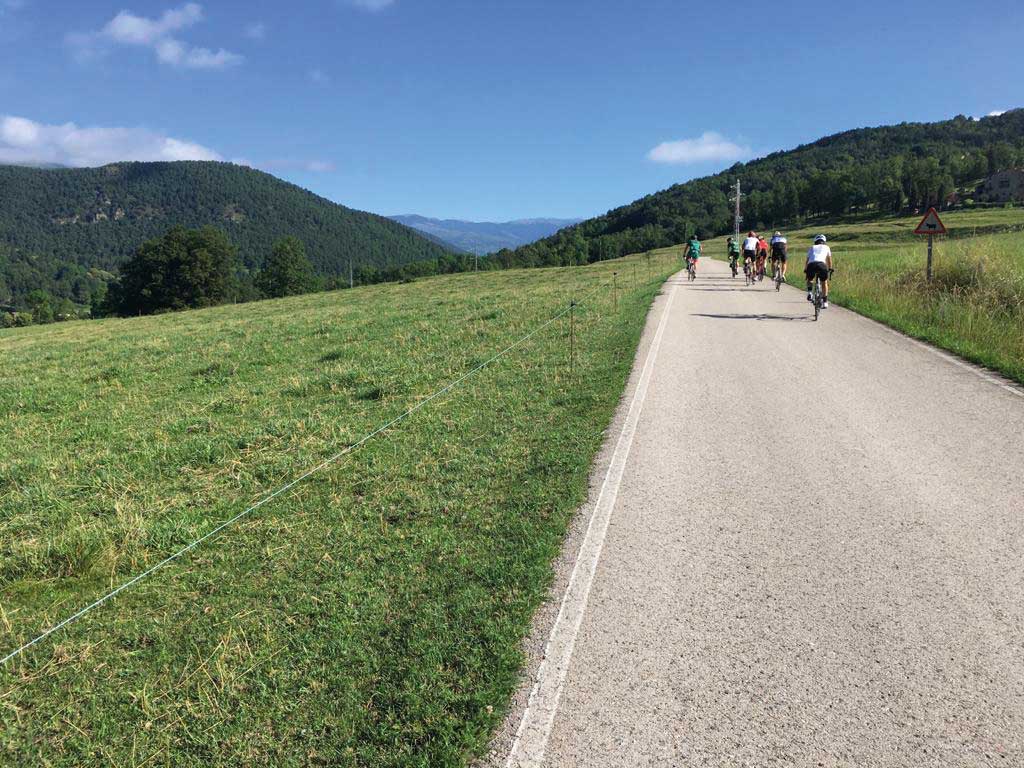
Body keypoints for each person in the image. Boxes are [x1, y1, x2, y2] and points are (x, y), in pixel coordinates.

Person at [805, 234, 833, 308]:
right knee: (824, 282)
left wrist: (805, 269)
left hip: (811, 265)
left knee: (810, 279)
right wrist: (830, 268)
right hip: (821, 265)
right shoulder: (827, 247)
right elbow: (829, 260)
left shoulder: (812, 247)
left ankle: (810, 292)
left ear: (815, 241)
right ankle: (825, 302)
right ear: (824, 241)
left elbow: (807, 260)